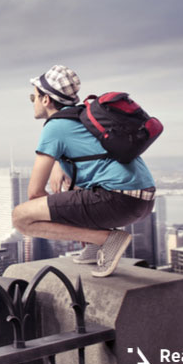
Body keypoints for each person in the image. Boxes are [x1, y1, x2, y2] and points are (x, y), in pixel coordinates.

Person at [11, 65, 156, 277]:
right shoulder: (83, 118)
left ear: (46, 100)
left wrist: (57, 210)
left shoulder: (55, 127)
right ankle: (95, 242)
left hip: (118, 200)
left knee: (21, 218)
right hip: (143, 200)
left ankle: (105, 239)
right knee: (72, 189)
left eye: (33, 97)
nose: (32, 103)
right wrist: (61, 169)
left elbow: (34, 193)